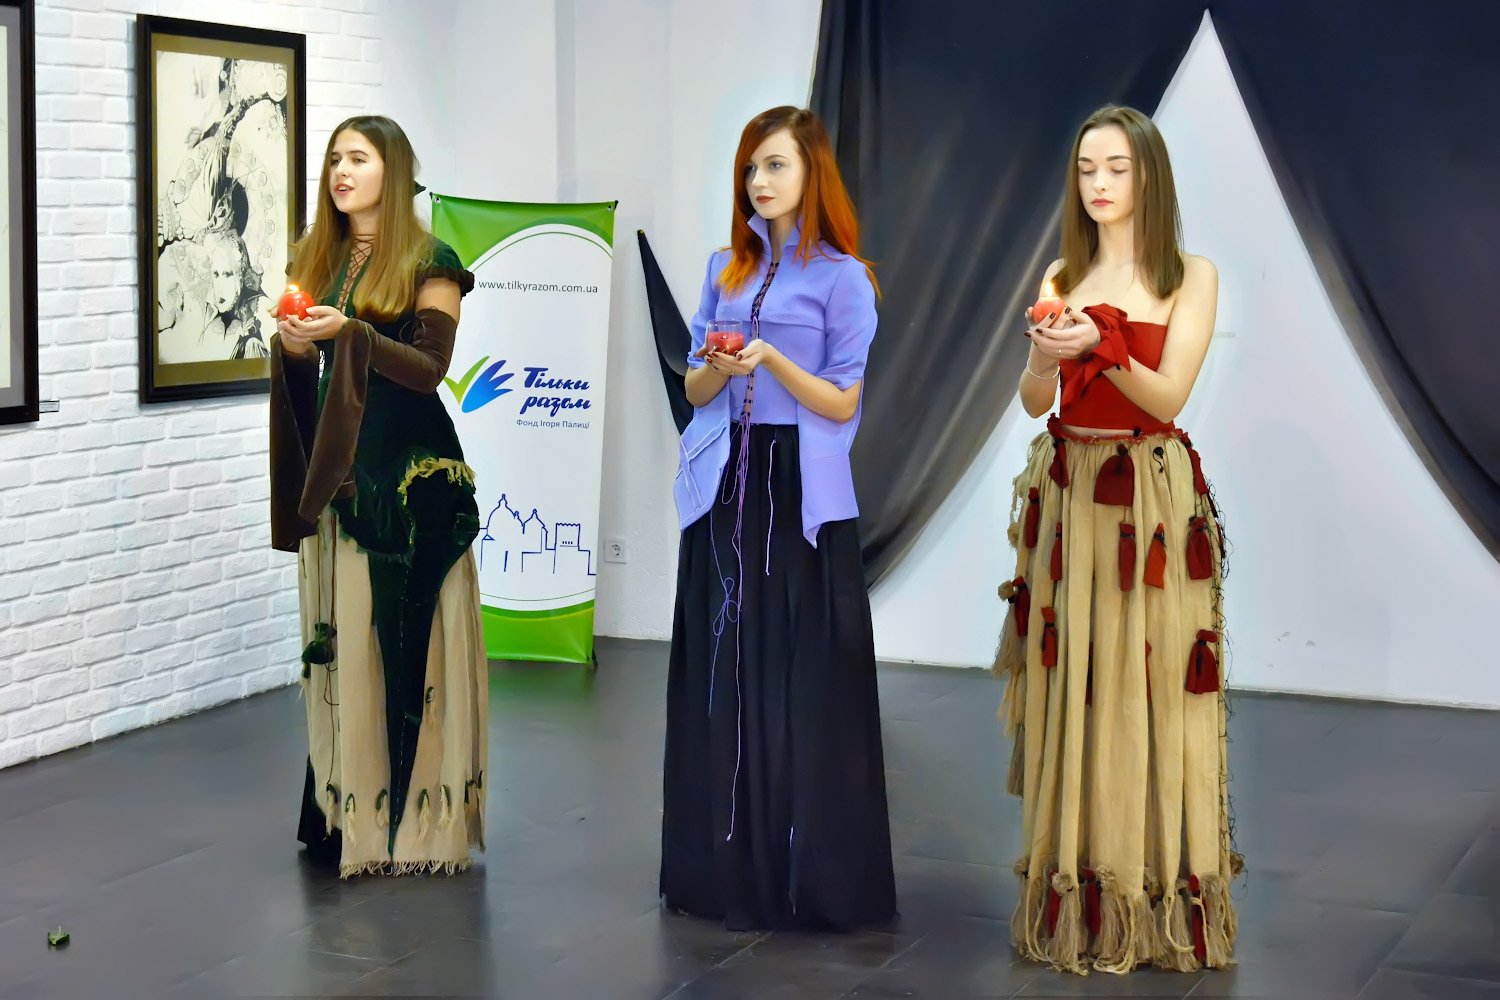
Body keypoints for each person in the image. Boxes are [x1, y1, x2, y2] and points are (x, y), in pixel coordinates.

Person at [994, 105, 1240, 975]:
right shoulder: (1064, 271)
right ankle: (1083, 891)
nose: (1098, 183)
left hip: (1148, 500)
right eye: (1086, 168)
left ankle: (1149, 896)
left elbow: (1169, 398)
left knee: (1148, 688)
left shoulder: (1191, 275)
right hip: (1070, 493)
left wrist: (1102, 343)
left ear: (1149, 176)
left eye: (1117, 168)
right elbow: (1035, 401)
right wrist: (1043, 355)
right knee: (1080, 687)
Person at [661, 105, 897, 931]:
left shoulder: (845, 278)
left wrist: (772, 361)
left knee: (798, 675)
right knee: (726, 667)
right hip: (727, 481)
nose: (759, 182)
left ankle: (808, 874)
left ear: (811, 173)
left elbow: (842, 398)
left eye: (775, 166)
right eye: (751, 169)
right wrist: (721, 369)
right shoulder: (722, 268)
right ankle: (725, 867)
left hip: (798, 488)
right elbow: (693, 386)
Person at [268, 114, 487, 877]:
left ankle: (411, 828)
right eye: (334, 158)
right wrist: (296, 344)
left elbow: (429, 369)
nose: (341, 171)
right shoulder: (321, 258)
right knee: (346, 637)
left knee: (403, 641)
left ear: (391, 171)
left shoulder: (431, 259)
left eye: (357, 158)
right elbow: (319, 366)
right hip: (345, 470)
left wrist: (352, 334)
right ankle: (346, 812)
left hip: (409, 478)